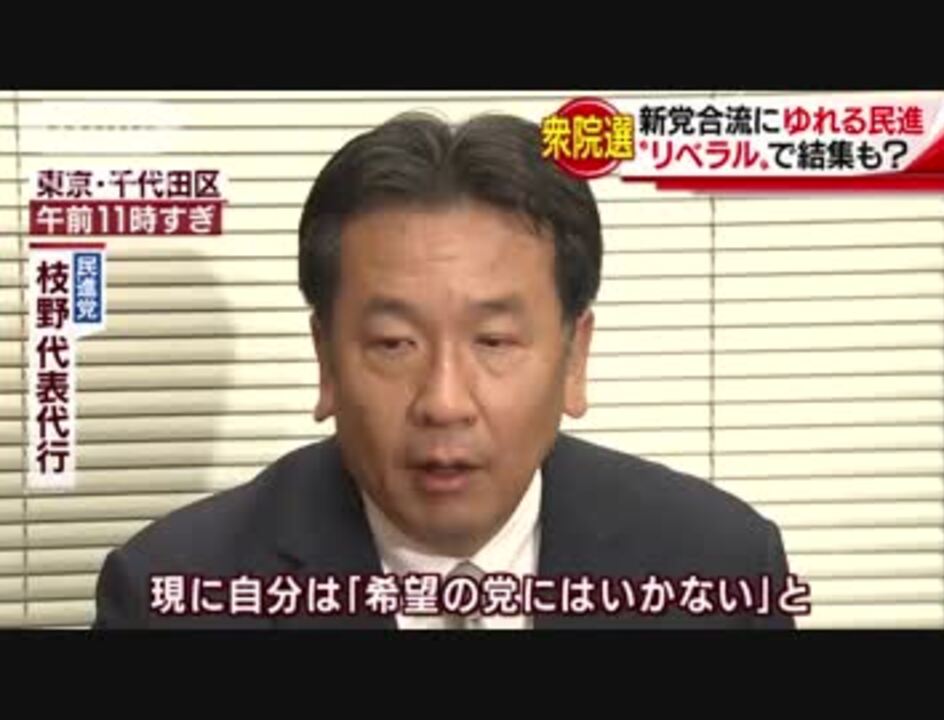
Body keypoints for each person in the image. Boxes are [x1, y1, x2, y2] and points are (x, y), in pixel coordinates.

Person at [92, 111, 799, 629]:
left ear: (574, 357)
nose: (444, 401)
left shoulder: (720, 568)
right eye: (394, 343)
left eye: (493, 341)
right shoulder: (170, 597)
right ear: (326, 359)